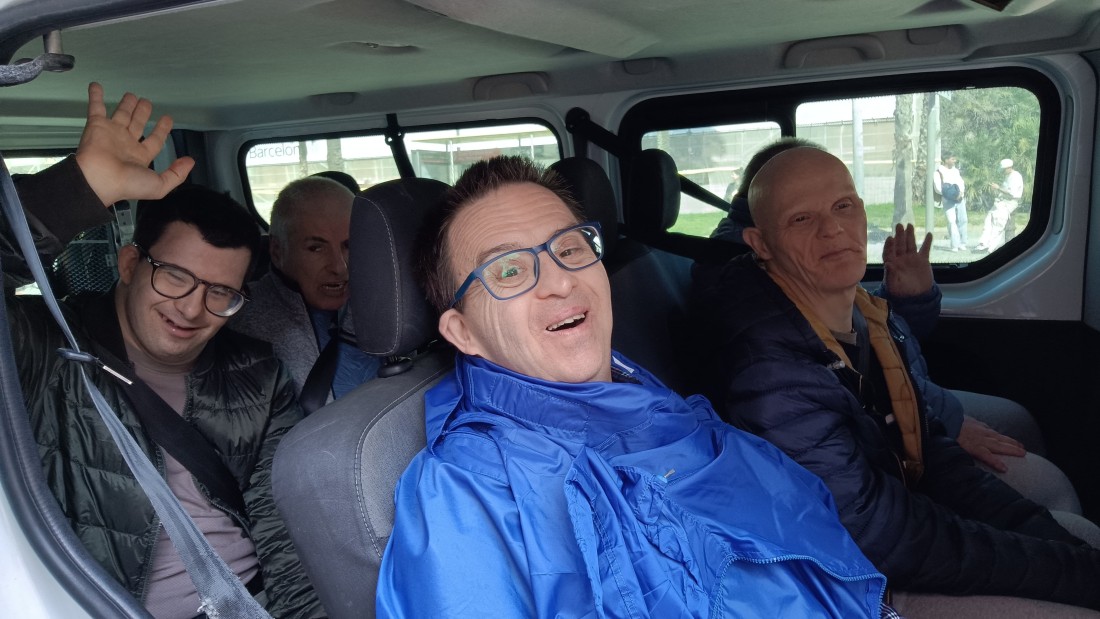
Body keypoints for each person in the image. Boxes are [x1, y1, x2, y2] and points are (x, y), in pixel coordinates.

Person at [374, 155, 896, 618]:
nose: (560, 281)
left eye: (570, 248)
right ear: (463, 332)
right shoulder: (465, 491)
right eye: (509, 271)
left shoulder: (651, 400)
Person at [691, 146, 1100, 616]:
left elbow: (930, 448)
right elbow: (881, 535)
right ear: (760, 244)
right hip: (852, 583)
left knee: (1078, 535)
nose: (832, 228)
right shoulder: (769, 373)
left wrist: (1061, 550)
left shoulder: (860, 313)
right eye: (801, 219)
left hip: (896, 516)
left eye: (843, 205)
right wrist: (1074, 571)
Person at [6, 83, 322, 618]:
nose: (192, 309)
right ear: (130, 265)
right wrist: (75, 192)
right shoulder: (42, 347)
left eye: (220, 292)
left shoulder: (258, 372)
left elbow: (282, 532)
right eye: (175, 276)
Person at [230, 176, 381, 404]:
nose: (339, 267)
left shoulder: (384, 302)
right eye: (316, 248)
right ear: (277, 251)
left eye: (348, 245)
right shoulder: (240, 320)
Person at [976, 158, 1024, 252]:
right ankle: (983, 243)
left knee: (998, 224)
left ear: (1009, 168)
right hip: (1000, 202)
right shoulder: (1008, 176)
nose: (1002, 171)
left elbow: (1011, 193)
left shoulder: (1015, 177)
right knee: (988, 221)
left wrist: (998, 188)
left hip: (1009, 202)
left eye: (1003, 169)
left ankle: (990, 247)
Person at [934, 151, 968, 251]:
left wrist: (960, 193)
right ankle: (955, 245)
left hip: (960, 198)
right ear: (946, 160)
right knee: (952, 222)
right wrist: (951, 195)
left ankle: (963, 243)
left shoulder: (955, 171)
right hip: (948, 200)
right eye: (952, 159)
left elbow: (961, 182)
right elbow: (938, 188)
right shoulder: (938, 172)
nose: (954, 161)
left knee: (963, 220)